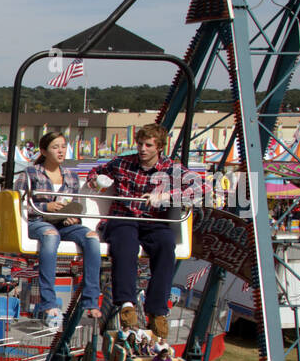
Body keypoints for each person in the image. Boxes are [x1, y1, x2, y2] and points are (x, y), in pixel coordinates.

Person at [91, 123, 205, 339]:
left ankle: (157, 310)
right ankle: (126, 304)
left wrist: (167, 197)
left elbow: (201, 187)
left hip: (152, 220)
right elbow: (96, 173)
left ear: (159, 147)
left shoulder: (171, 168)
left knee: (165, 245)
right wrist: (98, 181)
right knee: (125, 245)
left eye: (149, 145)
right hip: (123, 217)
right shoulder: (123, 163)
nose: (143, 149)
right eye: (140, 144)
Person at [14, 130, 102, 328]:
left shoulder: (71, 176)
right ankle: (49, 302)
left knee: (91, 238)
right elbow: (18, 203)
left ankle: (90, 298)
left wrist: (73, 216)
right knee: (51, 237)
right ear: (44, 151)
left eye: (63, 147)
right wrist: (46, 207)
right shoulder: (30, 173)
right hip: (39, 220)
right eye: (55, 147)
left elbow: (76, 203)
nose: (60, 151)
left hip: (64, 222)